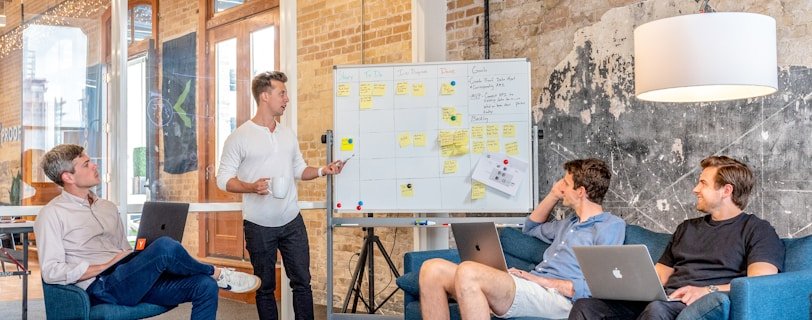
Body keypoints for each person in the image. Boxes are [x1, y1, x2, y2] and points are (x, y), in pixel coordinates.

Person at [34, 144, 260, 320]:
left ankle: (212, 277)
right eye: (86, 164)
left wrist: (136, 257)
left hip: (127, 278)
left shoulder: (107, 207)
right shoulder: (51, 214)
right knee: (164, 246)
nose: (94, 165)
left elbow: (122, 249)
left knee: (204, 286)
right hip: (101, 286)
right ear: (68, 177)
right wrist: (102, 266)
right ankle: (218, 273)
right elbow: (51, 271)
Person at [569, 155, 785, 320]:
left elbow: (759, 283)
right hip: (666, 299)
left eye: (703, 183)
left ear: (726, 190)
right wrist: (623, 285)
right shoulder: (686, 228)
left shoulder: (757, 230)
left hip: (697, 302)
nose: (695, 189)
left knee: (656, 310)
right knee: (586, 307)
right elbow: (659, 276)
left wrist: (705, 290)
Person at [419, 158, 626, 319]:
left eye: (565, 183)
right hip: (532, 288)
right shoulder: (568, 224)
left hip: (558, 299)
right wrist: (554, 195)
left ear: (580, 192)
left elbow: (600, 285)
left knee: (469, 271)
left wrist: (542, 280)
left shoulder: (609, 226)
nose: (560, 185)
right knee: (432, 269)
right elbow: (530, 227)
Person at [216, 71, 344, 320]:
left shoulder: (287, 134)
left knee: (302, 282)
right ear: (265, 96)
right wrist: (251, 187)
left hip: (291, 220)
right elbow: (224, 180)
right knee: (265, 288)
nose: (286, 99)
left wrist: (322, 170)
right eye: (282, 93)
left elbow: (298, 170)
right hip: (258, 225)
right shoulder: (239, 137)